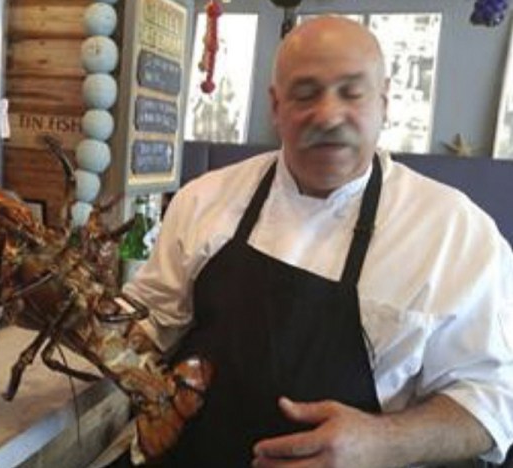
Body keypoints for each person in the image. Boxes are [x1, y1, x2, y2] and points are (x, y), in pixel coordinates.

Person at [122, 16, 513, 467]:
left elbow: (494, 399)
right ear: (275, 105)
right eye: (306, 94)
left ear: (384, 101)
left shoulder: (453, 231)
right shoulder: (203, 199)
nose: (328, 115)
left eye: (352, 92)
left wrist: (385, 442)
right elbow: (149, 323)